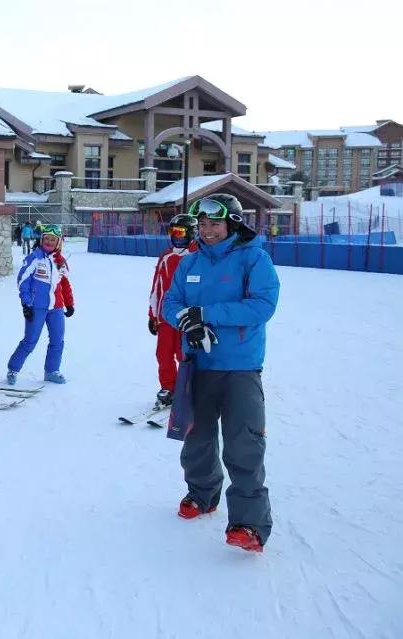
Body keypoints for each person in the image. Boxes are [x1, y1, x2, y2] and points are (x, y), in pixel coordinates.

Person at [162, 193, 279, 553]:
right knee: (196, 438)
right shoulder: (189, 263)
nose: (208, 230)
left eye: (215, 223)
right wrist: (188, 322)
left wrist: (206, 315)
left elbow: (262, 305)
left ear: (233, 224)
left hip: (240, 367)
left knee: (243, 443)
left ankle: (248, 523)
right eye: (203, 224)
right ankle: (202, 494)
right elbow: (171, 302)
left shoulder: (253, 259)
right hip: (199, 364)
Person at [6, 224, 74, 385]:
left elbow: (64, 284)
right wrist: (26, 304)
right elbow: (23, 281)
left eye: (53, 239)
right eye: (46, 239)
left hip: (56, 307)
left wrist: (69, 304)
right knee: (30, 340)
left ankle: (52, 371)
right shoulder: (34, 258)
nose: (49, 242)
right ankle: (13, 369)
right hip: (37, 306)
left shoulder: (60, 261)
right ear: (41, 239)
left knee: (57, 340)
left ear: (58, 242)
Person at [148, 214, 198, 407]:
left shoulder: (197, 256)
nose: (177, 236)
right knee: (163, 354)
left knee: (184, 354)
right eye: (173, 232)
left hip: (186, 317)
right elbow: (156, 287)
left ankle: (188, 389)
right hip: (164, 318)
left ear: (191, 233)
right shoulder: (166, 256)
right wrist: (152, 315)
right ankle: (169, 387)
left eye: (181, 232)